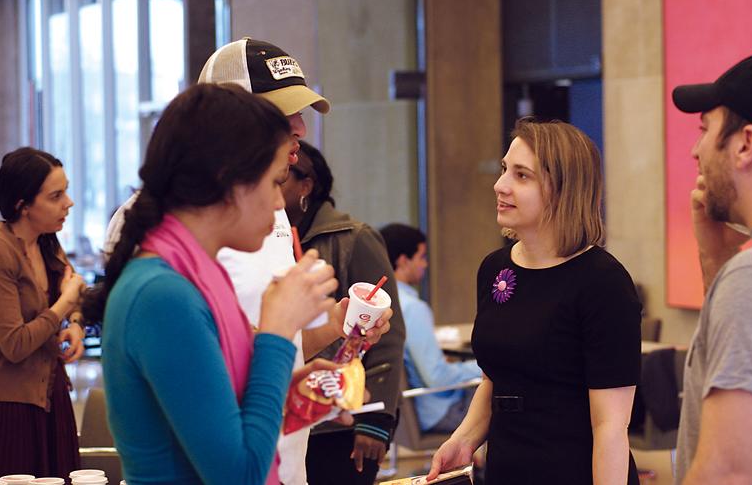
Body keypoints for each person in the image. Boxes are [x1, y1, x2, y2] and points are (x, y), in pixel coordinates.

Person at [103, 38, 392, 485]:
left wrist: (301, 371)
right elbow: (234, 470)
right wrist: (278, 332)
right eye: (275, 180)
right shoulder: (163, 288)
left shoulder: (201, 265)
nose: (281, 200)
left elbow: (226, 390)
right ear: (230, 165)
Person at [428, 117, 642, 484]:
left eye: (521, 176)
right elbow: (496, 380)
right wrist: (462, 440)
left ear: (562, 190)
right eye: (504, 170)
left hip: (573, 470)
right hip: (507, 466)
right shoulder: (494, 268)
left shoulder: (603, 282)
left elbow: (610, 426)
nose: (500, 185)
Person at [671, 52, 752, 485]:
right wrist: (716, 261)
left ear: (745, 143)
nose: (695, 150)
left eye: (706, 130)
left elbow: (727, 473)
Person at [280, 141, 406, 485]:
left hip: (343, 421)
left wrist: (374, 420)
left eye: (284, 175)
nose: (273, 183)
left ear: (306, 185)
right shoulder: (265, 241)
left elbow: (388, 336)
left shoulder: (353, 238)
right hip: (286, 417)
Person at [0, 147, 86, 477]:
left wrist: (75, 324)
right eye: (56, 195)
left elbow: (76, 291)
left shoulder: (48, 242)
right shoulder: (2, 251)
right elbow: (14, 344)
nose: (69, 203)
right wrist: (63, 305)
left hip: (52, 396)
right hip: (12, 406)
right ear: (23, 205)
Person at [379, 223, 482, 433]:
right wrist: (484, 366)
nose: (425, 264)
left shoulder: (384, 303)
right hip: (437, 413)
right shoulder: (412, 309)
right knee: (496, 395)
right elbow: (437, 377)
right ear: (403, 261)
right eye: (421, 257)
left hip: (403, 415)